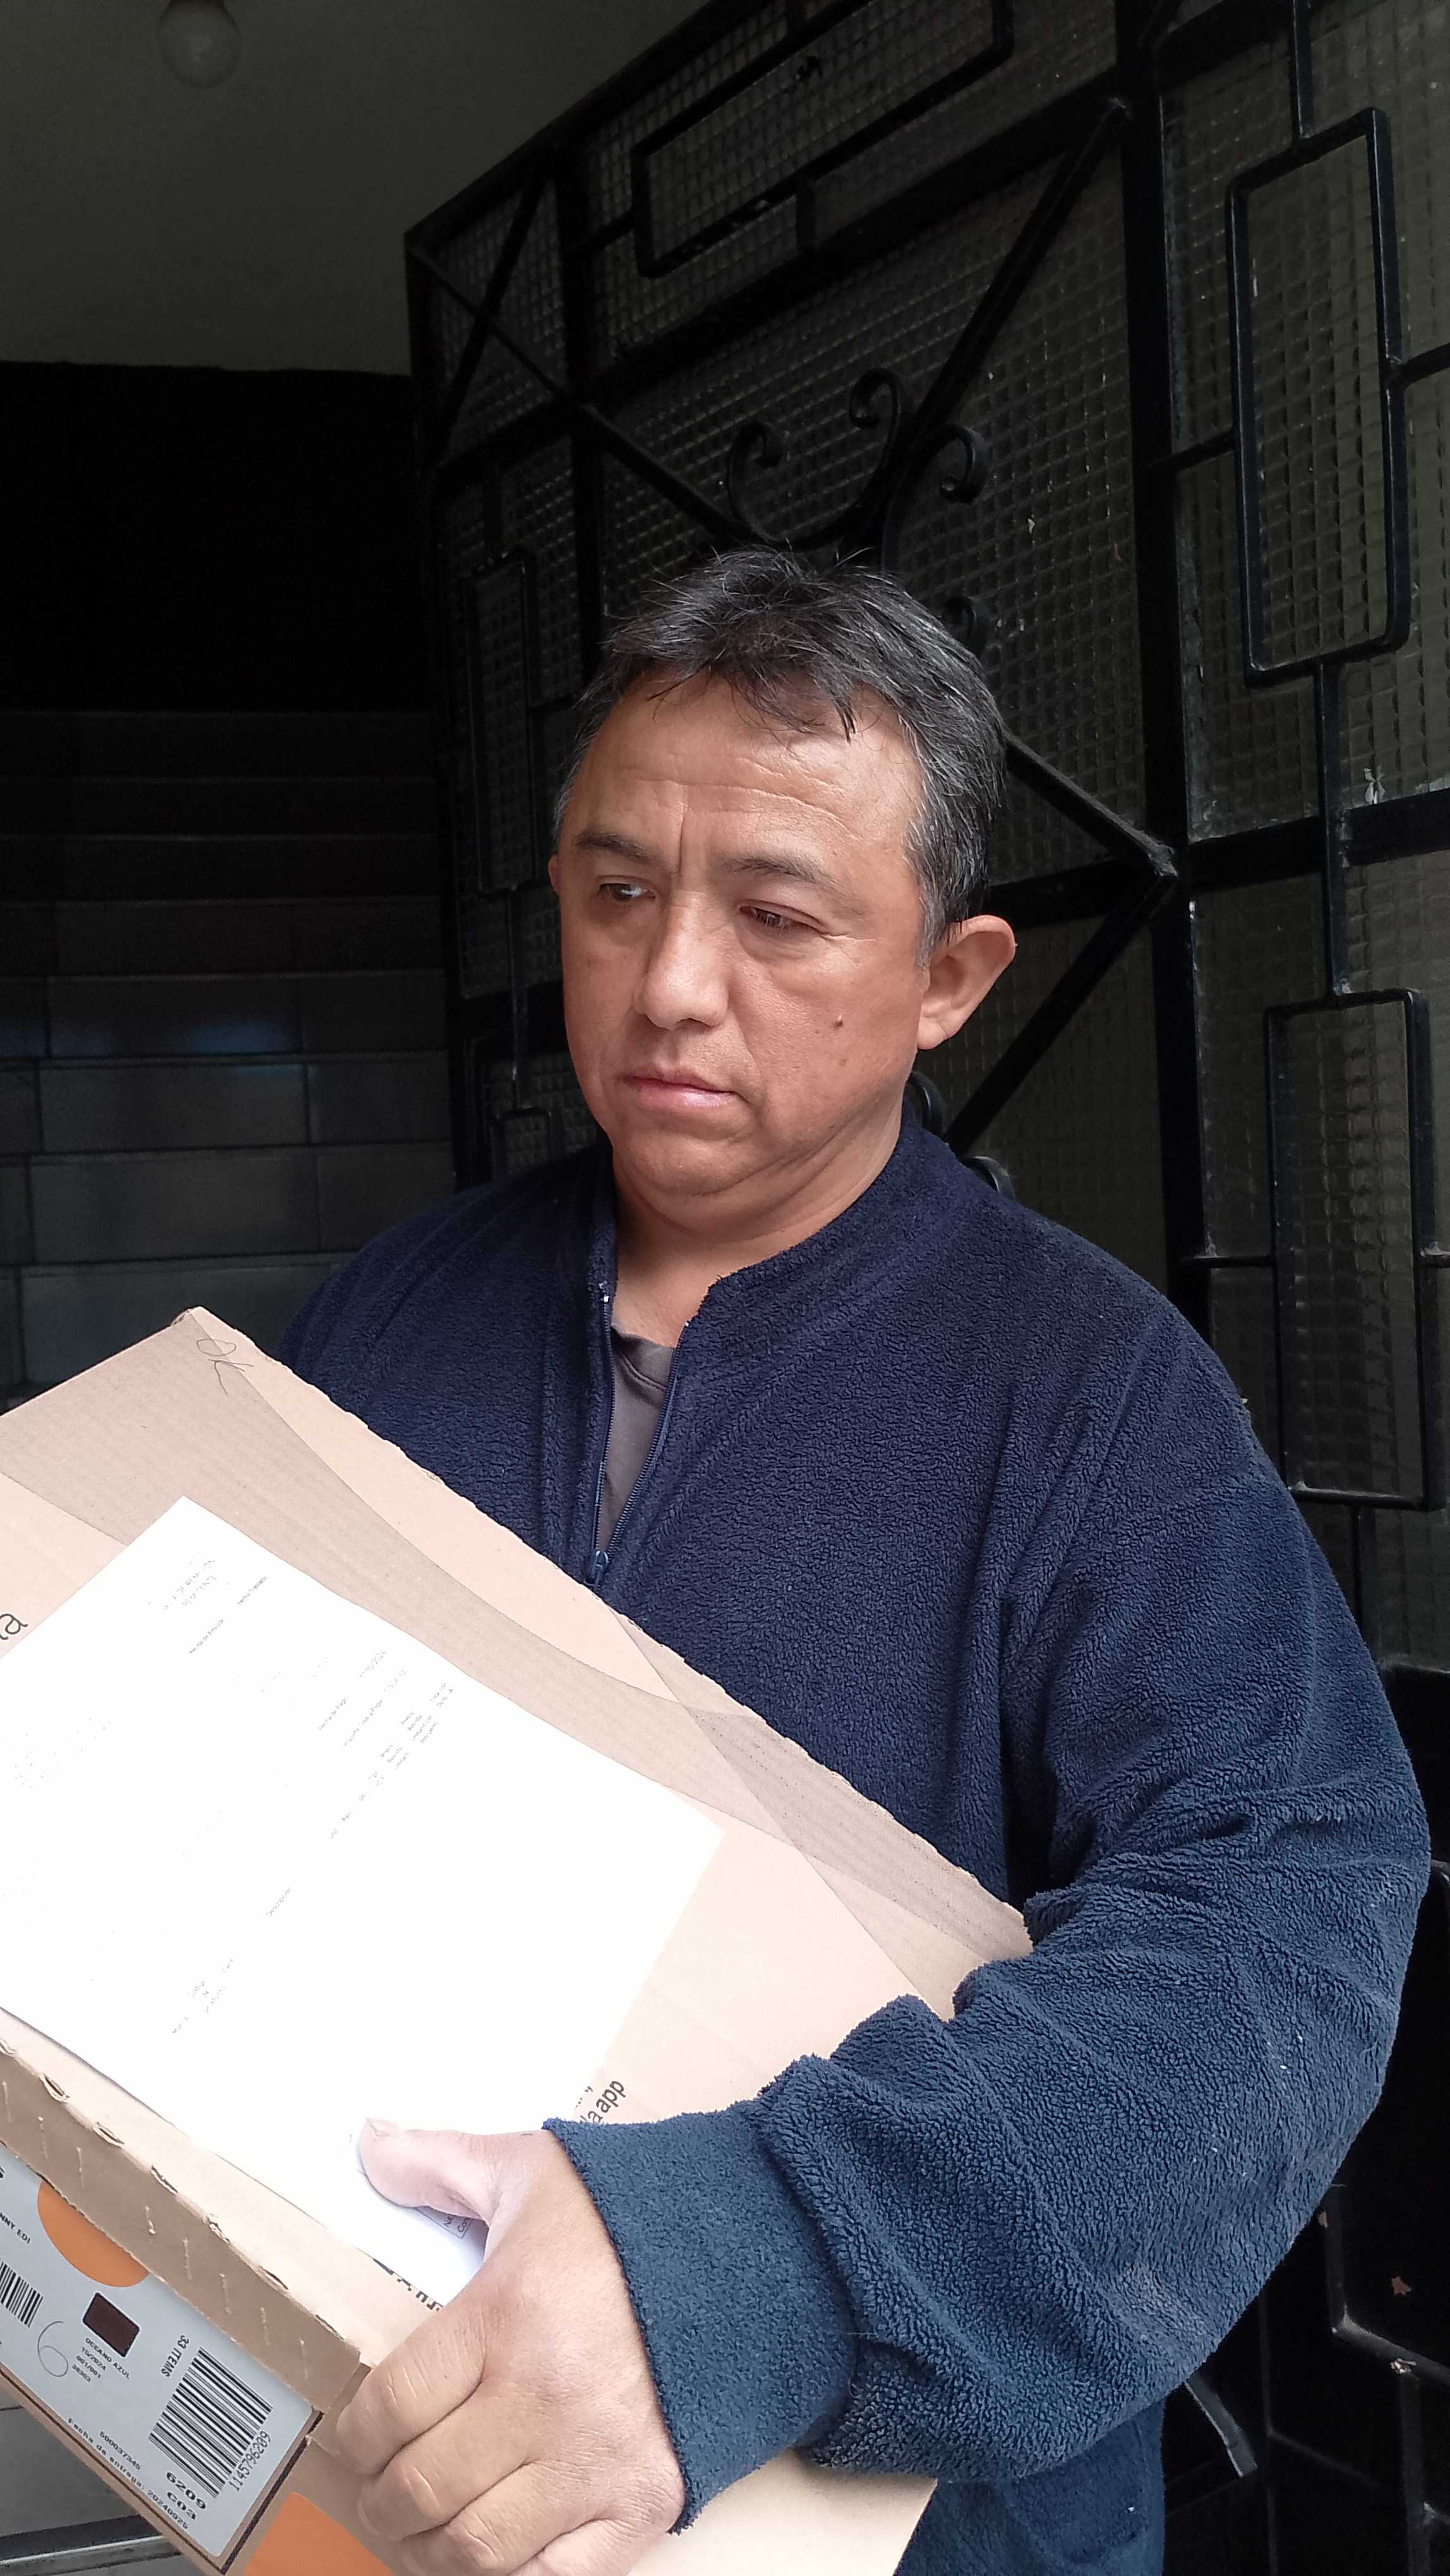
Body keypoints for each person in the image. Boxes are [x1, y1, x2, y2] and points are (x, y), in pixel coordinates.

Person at [280, 549, 1427, 2576]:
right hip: (389, 2443)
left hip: (910, 2525)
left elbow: (1292, 1910)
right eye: (616, 892)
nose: (670, 982)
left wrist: (769, 2262)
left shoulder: (1093, 1397)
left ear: (949, 979)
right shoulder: (392, 1314)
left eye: (777, 915)